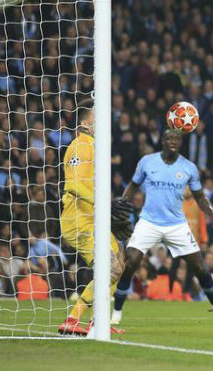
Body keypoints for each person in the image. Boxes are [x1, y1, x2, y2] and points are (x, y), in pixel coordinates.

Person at [111, 128, 213, 326]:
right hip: (149, 222)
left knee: (200, 268)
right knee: (132, 261)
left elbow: (200, 197)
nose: (173, 141)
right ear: (162, 140)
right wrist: (122, 203)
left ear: (181, 142)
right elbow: (133, 185)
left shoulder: (189, 168)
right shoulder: (147, 162)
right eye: (169, 138)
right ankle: (116, 312)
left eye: (177, 139)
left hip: (176, 224)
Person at [57, 100, 133, 336]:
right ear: (85, 123)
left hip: (92, 219)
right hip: (78, 221)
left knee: (119, 263)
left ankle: (93, 321)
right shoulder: (81, 146)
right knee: (110, 267)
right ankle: (75, 319)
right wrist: (103, 204)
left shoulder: (94, 147)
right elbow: (73, 184)